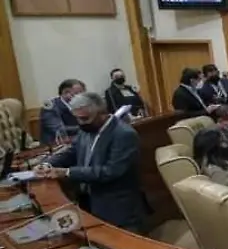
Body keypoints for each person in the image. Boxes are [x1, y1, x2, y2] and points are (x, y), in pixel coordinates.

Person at [34, 92, 146, 233]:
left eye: (85, 118)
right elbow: (72, 151)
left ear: (102, 113)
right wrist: (47, 164)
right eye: (77, 118)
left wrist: (68, 172)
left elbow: (110, 171)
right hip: (89, 201)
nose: (80, 123)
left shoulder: (123, 134)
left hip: (118, 209)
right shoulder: (87, 129)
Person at [39, 79, 85, 146]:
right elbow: (59, 130)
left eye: (82, 94)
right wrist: (85, 127)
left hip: (75, 142)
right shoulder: (50, 107)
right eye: (78, 93)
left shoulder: (80, 105)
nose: (81, 97)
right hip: (54, 146)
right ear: (66, 93)